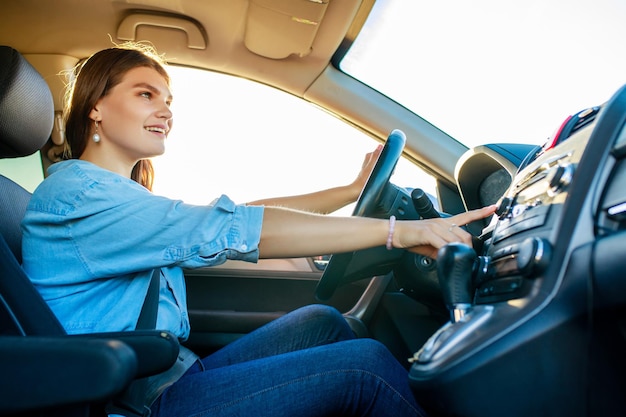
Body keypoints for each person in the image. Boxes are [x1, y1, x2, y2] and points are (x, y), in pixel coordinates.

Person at [21, 43, 496, 417]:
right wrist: (397, 233)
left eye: (168, 100)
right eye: (145, 94)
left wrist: (349, 191)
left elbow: (234, 216)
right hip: (132, 400)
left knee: (325, 322)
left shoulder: (118, 197)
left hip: (170, 372)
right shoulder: (80, 197)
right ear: (95, 108)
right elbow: (236, 229)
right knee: (364, 369)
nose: (165, 110)